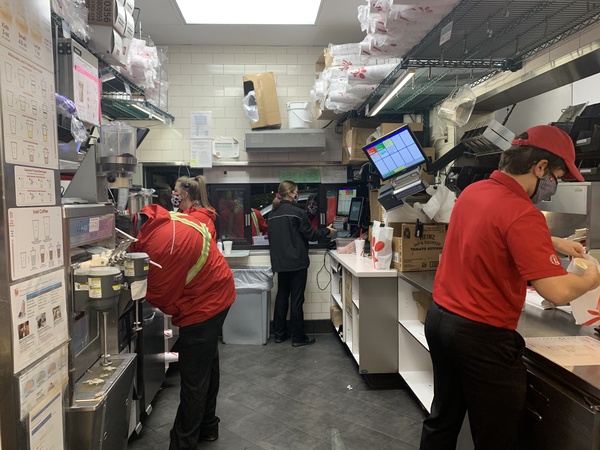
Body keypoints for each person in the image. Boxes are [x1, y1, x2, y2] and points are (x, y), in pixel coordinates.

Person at [420, 125, 600, 450]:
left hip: (441, 321)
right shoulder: (523, 213)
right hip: (482, 339)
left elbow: (492, 234)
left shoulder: (475, 192)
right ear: (540, 167)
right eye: (557, 175)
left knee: (442, 419)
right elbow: (556, 292)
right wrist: (593, 276)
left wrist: (552, 241)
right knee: (496, 436)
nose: (554, 185)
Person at [130, 204, 235, 449]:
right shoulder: (163, 220)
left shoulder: (163, 243)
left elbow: (162, 297)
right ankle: (208, 426)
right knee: (207, 364)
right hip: (217, 293)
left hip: (204, 305)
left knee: (194, 378)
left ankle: (183, 442)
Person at [268, 181, 337, 346]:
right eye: (296, 191)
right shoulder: (298, 213)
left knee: (282, 296)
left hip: (280, 263)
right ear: (291, 193)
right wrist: (328, 230)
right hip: (297, 263)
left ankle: (279, 334)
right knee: (297, 299)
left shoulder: (272, 214)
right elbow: (311, 235)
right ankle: (298, 337)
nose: (297, 194)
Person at [172, 175, 217, 241]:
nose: (173, 194)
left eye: (176, 191)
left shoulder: (197, 218)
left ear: (185, 195)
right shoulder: (181, 213)